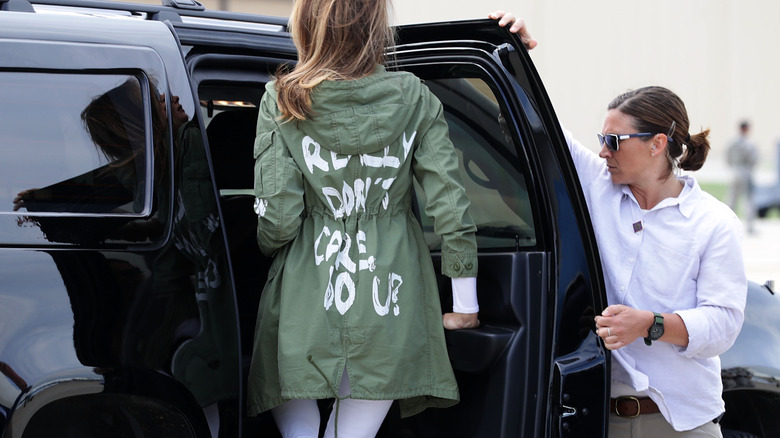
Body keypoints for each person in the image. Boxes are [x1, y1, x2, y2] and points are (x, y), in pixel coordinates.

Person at [491, 11, 747, 438]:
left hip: (681, 423)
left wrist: (648, 323)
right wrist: (514, 54)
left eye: (613, 141)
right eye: (601, 140)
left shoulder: (714, 222)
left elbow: (722, 325)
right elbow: (538, 130)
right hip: (601, 420)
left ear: (657, 145)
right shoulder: (597, 183)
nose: (603, 151)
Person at [247, 1, 480, 436]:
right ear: (376, 28)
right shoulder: (414, 96)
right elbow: (450, 200)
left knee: (292, 408)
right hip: (389, 290)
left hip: (307, 284)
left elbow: (278, 216)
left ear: (306, 26)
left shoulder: (282, 98)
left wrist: (267, 251)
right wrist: (465, 303)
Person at [726, 120, 758, 233]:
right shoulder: (749, 144)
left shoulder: (732, 143)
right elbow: (753, 160)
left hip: (735, 172)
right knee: (748, 200)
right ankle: (750, 227)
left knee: (732, 199)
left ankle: (728, 225)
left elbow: (728, 158)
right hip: (746, 173)